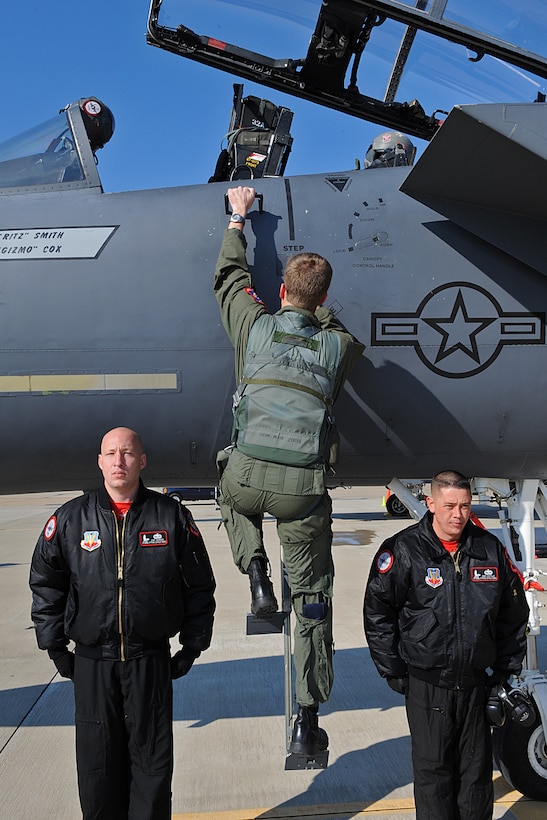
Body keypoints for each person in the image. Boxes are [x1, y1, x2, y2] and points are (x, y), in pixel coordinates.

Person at [214, 186, 364, 755]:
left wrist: (239, 222)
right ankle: (306, 723)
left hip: (248, 480)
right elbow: (339, 334)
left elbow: (229, 281)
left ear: (280, 291)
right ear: (324, 295)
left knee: (226, 483)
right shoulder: (334, 347)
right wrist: (316, 305)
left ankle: (254, 575)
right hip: (302, 492)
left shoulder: (252, 327)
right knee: (313, 598)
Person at [29, 427, 216, 820]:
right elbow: (46, 583)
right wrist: (56, 647)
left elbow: (199, 585)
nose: (119, 461)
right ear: (99, 461)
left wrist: (193, 645)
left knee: (152, 769)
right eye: (110, 453)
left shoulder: (171, 516)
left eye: (127, 453)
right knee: (98, 771)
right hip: (93, 665)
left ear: (142, 460)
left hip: (149, 662)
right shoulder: (70, 519)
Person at [364, 470, 529, 820]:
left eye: (465, 506)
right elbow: (378, 612)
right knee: (433, 778)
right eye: (450, 506)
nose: (458, 515)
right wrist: (393, 670)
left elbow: (514, 615)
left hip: (475, 685)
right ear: (431, 503)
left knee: (476, 780)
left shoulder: (488, 550)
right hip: (427, 687)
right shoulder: (404, 551)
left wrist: (504, 673)